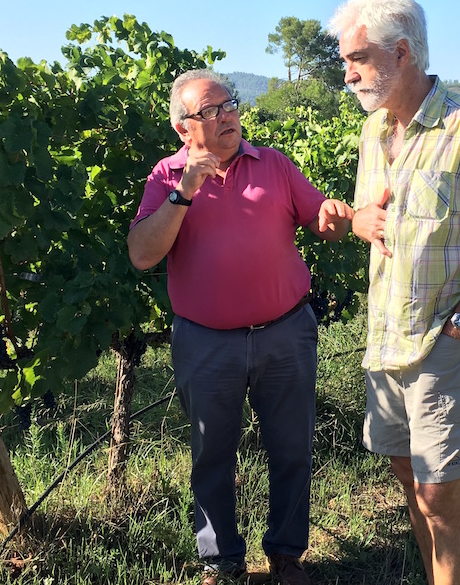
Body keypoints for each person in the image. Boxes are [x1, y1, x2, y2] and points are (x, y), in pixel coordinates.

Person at [328, 0, 460, 585]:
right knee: (410, 484)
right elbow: (370, 215)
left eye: (356, 57)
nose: (348, 72)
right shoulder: (372, 133)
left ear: (402, 52)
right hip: (385, 342)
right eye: (344, 61)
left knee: (442, 499)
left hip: (444, 342)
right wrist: (355, 220)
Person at [127, 69, 353, 585]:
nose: (226, 115)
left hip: (286, 332)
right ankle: (223, 562)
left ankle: (287, 555)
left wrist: (334, 218)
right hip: (206, 344)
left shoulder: (272, 163)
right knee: (212, 454)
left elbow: (321, 217)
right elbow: (142, 255)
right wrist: (185, 190)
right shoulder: (166, 177)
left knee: (292, 448)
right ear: (184, 129)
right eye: (210, 111)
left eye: (228, 104)